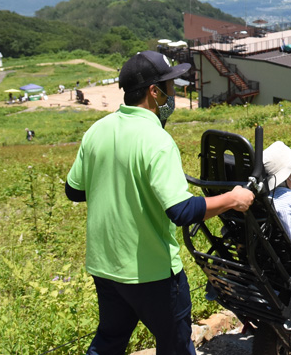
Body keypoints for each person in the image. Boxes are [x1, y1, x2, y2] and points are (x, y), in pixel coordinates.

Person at [65, 50, 254, 355]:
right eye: (170, 87)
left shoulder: (97, 131)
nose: (174, 93)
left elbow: (74, 191)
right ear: (154, 93)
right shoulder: (156, 140)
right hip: (151, 272)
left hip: (105, 266)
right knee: (176, 345)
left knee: (109, 341)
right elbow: (181, 211)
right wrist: (233, 198)